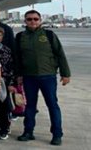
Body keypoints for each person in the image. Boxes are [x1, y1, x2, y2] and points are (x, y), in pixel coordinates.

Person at [15, 9, 70, 146]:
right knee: (30, 107)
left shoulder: (49, 35)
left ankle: (57, 134)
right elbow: (17, 59)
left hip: (48, 76)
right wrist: (19, 75)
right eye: (29, 19)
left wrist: (65, 74)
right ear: (25, 21)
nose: (32, 21)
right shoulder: (20, 36)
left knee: (52, 105)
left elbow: (60, 54)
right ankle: (28, 132)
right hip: (29, 77)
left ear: (40, 21)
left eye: (35, 19)